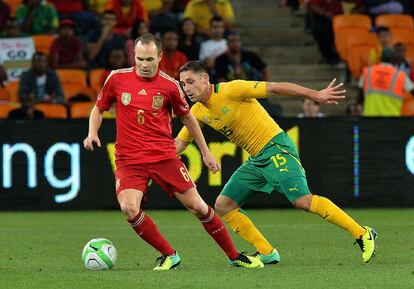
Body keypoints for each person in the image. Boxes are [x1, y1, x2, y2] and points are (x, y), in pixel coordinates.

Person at [83, 33, 263, 270]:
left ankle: (234, 255)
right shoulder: (116, 79)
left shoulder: (169, 85)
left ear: (159, 57)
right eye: (139, 59)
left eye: (149, 59)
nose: (144, 65)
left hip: (163, 157)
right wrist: (92, 133)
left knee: (198, 207)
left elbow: (188, 118)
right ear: (133, 57)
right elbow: (98, 108)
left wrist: (206, 152)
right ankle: (169, 255)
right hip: (129, 160)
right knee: (129, 208)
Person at [176, 60, 378, 265]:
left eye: (191, 82)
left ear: (205, 79)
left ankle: (362, 233)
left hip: (275, 148)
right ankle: (266, 252)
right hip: (256, 159)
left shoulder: (232, 89)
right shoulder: (198, 112)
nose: (187, 88)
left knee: (303, 200)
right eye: (183, 84)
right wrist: (151, 158)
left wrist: (315, 94)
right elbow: (180, 142)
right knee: (224, 205)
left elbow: (275, 88)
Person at [359, 47, 414, 116]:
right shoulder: (400, 76)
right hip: (391, 120)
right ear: (394, 59)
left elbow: (359, 98)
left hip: (370, 120)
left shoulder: (367, 72)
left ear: (380, 58)